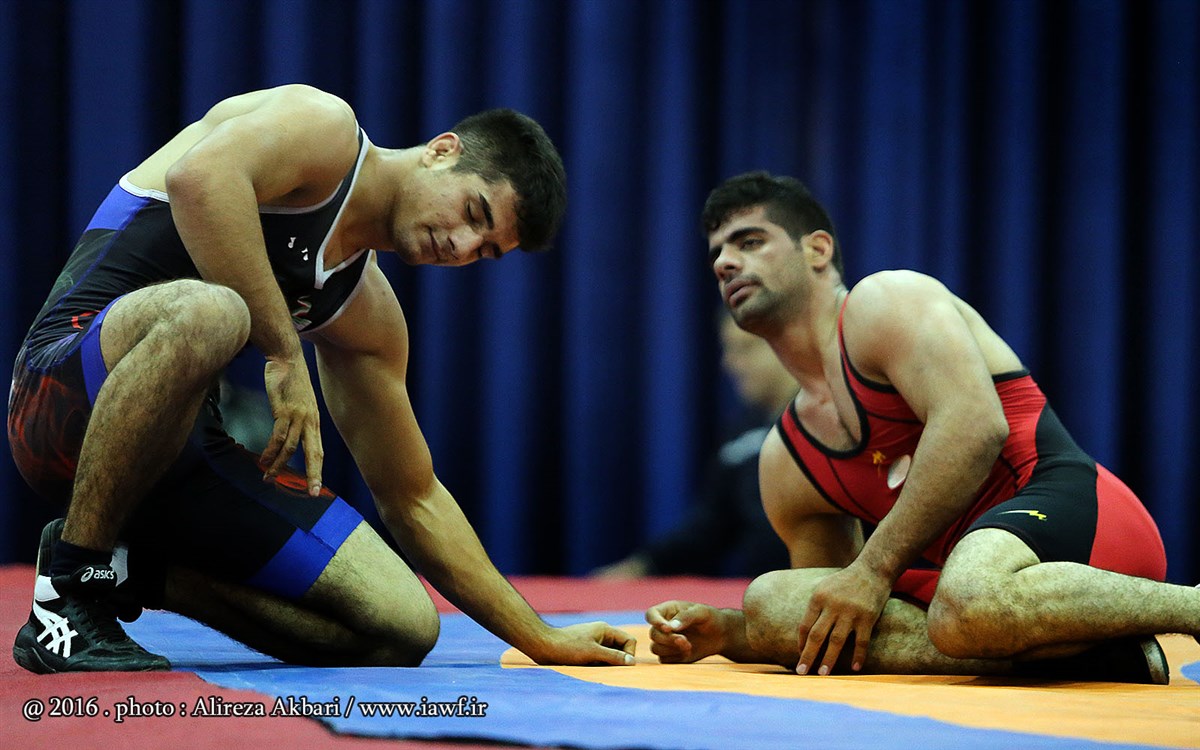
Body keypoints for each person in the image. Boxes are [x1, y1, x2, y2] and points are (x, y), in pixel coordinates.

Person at [8, 84, 635, 674]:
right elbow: (198, 179)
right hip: (58, 396)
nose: (462, 245)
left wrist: (539, 637)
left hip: (167, 459)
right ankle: (67, 593)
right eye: (473, 212)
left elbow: (412, 496)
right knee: (213, 312)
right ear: (443, 151)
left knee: (401, 626)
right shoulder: (325, 129)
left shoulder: (366, 315)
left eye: (485, 250)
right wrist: (284, 354)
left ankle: (126, 570)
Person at [645, 171, 1200, 683]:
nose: (724, 263)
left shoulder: (886, 301)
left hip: (1075, 516)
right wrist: (733, 634)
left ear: (817, 249)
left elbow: (978, 429)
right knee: (769, 601)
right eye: (717, 253)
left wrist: (873, 570)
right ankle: (1099, 655)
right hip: (965, 596)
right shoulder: (785, 459)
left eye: (749, 242)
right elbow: (835, 616)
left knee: (968, 597)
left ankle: (1192, 606)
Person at [592, 313, 794, 578]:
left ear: (791, 343)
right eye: (729, 349)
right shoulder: (741, 434)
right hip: (762, 594)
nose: (729, 363)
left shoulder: (837, 423)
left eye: (745, 348)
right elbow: (710, 526)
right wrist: (643, 566)